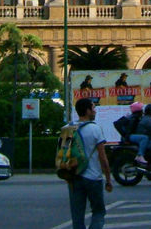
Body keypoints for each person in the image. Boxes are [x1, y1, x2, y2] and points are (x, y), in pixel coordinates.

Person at [67, 97, 113, 229]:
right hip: (93, 177)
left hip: (74, 177)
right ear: (87, 111)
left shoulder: (69, 129)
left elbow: (62, 154)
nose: (95, 111)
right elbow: (103, 158)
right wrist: (108, 179)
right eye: (93, 108)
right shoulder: (95, 129)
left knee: (77, 216)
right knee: (98, 212)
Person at [121, 102, 150, 166]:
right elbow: (129, 129)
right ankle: (140, 155)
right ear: (138, 110)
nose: (143, 110)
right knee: (144, 138)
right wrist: (126, 139)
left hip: (128, 136)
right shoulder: (134, 118)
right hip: (128, 136)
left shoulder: (134, 117)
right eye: (141, 108)